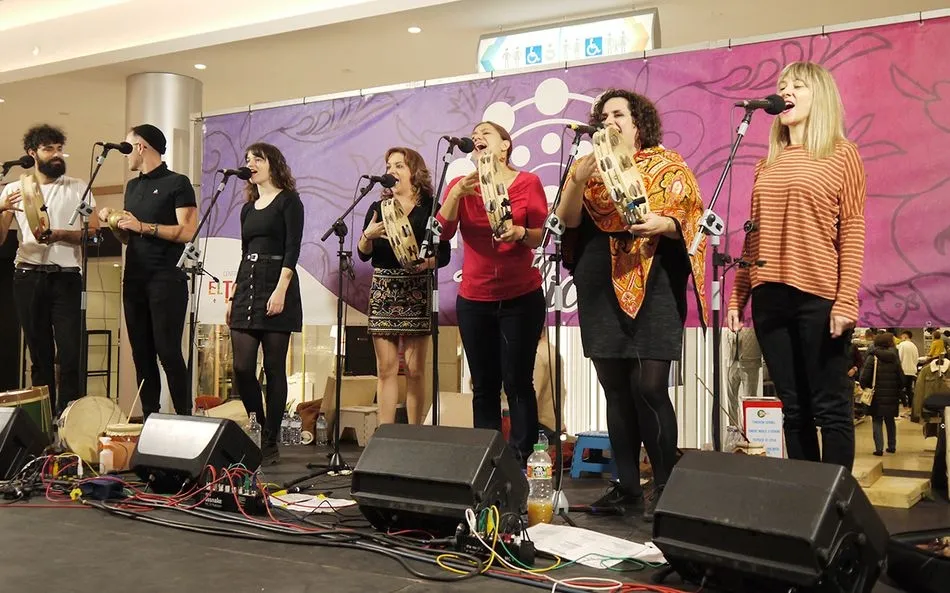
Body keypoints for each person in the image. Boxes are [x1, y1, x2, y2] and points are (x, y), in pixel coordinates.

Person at [557, 89, 708, 522]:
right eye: (603, 115)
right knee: (616, 389)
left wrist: (666, 223)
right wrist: (577, 180)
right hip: (598, 280)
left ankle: (665, 484)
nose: (609, 121)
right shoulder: (590, 170)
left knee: (649, 387)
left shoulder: (668, 165)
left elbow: (693, 220)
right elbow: (568, 220)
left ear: (639, 122)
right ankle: (626, 487)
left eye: (618, 113)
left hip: (655, 279)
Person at [728, 61, 867, 471]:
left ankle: (837, 509)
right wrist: (740, 292)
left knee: (832, 408)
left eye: (797, 85)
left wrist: (845, 301)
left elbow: (853, 231)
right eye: (781, 84)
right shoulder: (766, 163)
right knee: (793, 408)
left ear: (818, 96)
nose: (785, 91)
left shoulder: (843, 154)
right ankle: (807, 503)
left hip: (819, 296)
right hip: (770, 294)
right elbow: (753, 234)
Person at [437, 121, 548, 465]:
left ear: (505, 146)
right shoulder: (459, 185)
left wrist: (519, 232)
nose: (478, 137)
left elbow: (541, 234)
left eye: (487, 132)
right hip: (474, 298)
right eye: (475, 134)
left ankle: (522, 455)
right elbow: (441, 232)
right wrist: (456, 194)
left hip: (520, 296)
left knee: (517, 381)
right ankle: (488, 459)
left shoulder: (528, 182)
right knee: (483, 384)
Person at [0, 124, 98, 416]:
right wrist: (2, 206)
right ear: (32, 153)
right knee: (39, 356)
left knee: (70, 354)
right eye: (48, 149)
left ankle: (70, 423)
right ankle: (42, 427)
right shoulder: (16, 189)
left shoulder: (78, 187)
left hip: (66, 278)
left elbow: (93, 233)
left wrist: (60, 234)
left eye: (59, 149)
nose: (56, 155)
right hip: (28, 275)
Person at [108, 124, 197, 419]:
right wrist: (117, 225)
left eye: (127, 147)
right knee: (141, 354)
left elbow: (187, 232)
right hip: (134, 278)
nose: (126, 155)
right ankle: (150, 417)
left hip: (165, 278)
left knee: (168, 351)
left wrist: (143, 226)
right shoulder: (132, 187)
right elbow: (130, 236)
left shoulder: (178, 183)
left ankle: (184, 417)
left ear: (141, 147)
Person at [357, 147, 450, 425]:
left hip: (417, 289)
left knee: (415, 370)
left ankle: (414, 433)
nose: (391, 171)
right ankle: (384, 437)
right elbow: (364, 253)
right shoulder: (378, 208)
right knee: (385, 370)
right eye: (388, 166)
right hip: (384, 289)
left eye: (399, 165)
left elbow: (443, 255)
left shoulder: (432, 207)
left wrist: (426, 264)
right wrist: (367, 235)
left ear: (414, 171)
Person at [226, 142, 304, 464]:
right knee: (242, 367)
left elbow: (292, 247)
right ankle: (256, 424)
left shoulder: (289, 201)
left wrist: (281, 290)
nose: (251, 164)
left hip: (277, 281)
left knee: (273, 368)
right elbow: (245, 253)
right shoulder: (247, 208)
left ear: (273, 164)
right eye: (247, 160)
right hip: (248, 282)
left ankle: (271, 439)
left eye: (257, 159)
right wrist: (233, 295)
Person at [859, 333, 903, 455]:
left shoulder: (872, 358)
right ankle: (892, 446)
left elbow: (864, 378)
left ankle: (879, 449)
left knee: (877, 420)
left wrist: (865, 387)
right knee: (890, 420)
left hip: (876, 395)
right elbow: (901, 378)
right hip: (892, 394)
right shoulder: (894, 357)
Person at [725, 326, 763, 424]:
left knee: (750, 400)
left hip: (750, 363)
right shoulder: (730, 318)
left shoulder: (753, 318)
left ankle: (750, 427)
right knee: (730, 399)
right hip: (731, 362)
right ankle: (733, 427)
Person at [896, 330, 920, 407]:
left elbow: (899, 358)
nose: (901, 338)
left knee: (899, 389)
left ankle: (905, 404)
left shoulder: (902, 345)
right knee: (909, 389)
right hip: (912, 370)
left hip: (903, 370)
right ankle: (911, 405)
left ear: (905, 336)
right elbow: (916, 359)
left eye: (902, 337)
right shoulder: (914, 346)